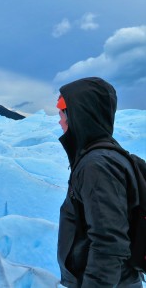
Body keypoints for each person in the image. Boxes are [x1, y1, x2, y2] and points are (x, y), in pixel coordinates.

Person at [56, 77, 142, 287]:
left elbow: (109, 244)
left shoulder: (97, 165)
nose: (59, 120)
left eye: (62, 109)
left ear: (80, 113)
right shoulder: (103, 155)